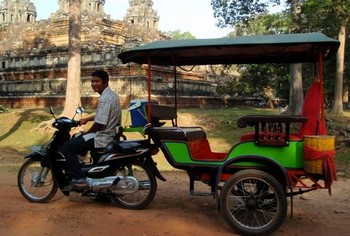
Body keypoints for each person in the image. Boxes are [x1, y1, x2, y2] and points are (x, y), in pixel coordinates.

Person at [61, 70, 121, 191]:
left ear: (105, 82)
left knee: (68, 147)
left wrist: (87, 133)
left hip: (102, 136)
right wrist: (87, 119)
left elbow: (99, 124)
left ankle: (79, 179)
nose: (94, 84)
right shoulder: (111, 95)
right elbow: (102, 115)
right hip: (110, 134)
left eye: (97, 81)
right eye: (92, 81)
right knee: (79, 141)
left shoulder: (105, 99)